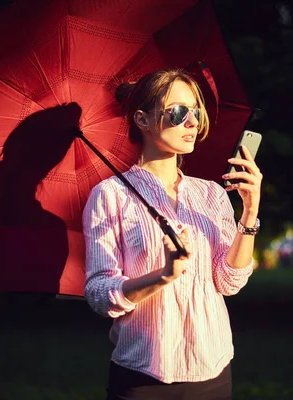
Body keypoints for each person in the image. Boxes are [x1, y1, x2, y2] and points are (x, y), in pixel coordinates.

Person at [82, 69, 263, 400]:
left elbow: (229, 281)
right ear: (142, 119)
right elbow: (98, 294)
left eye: (195, 112)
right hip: (143, 378)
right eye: (178, 112)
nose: (192, 123)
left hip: (214, 372)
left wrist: (249, 213)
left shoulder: (211, 194)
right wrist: (162, 276)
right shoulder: (111, 195)